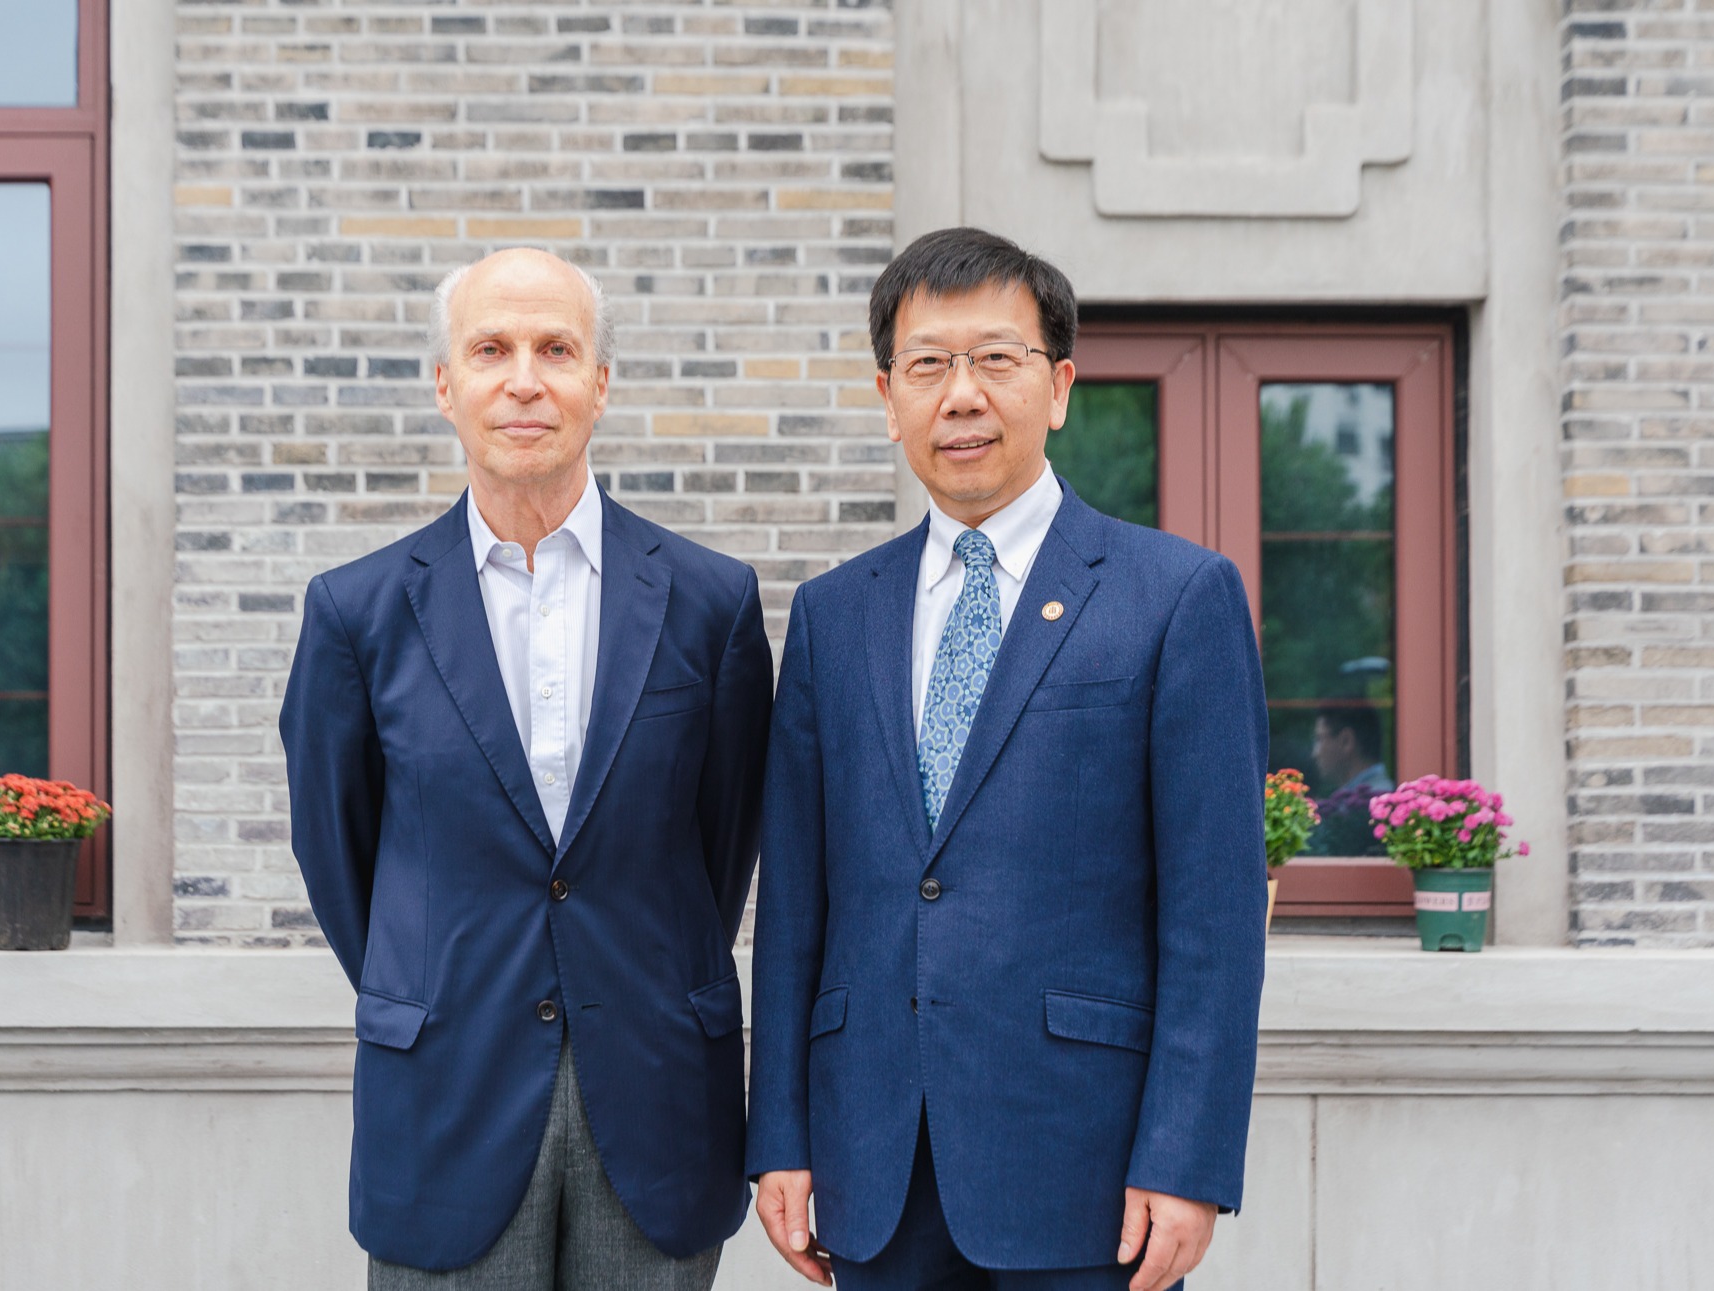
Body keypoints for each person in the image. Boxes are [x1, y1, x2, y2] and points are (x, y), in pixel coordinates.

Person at [747, 227, 1270, 1291]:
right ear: (888, 396)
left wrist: (1188, 1158)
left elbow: (1215, 915)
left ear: (1060, 386)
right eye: (928, 365)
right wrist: (780, 1137)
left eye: (996, 358)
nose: (962, 395)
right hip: (874, 1161)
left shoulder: (1176, 596)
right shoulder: (834, 615)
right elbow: (796, 903)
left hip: (1089, 1172)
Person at [281, 248, 772, 1289]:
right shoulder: (357, 614)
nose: (523, 380)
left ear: (601, 382)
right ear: (444, 385)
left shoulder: (712, 602)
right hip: (445, 1093)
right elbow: (337, 850)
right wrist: (432, 981)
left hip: (658, 1092)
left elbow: (720, 849)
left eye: (555, 349)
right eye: (490, 350)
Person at [1308, 705, 1394, 856]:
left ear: (1346, 740)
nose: (1315, 753)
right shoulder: (1377, 794)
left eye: (1320, 739)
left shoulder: (1376, 800)